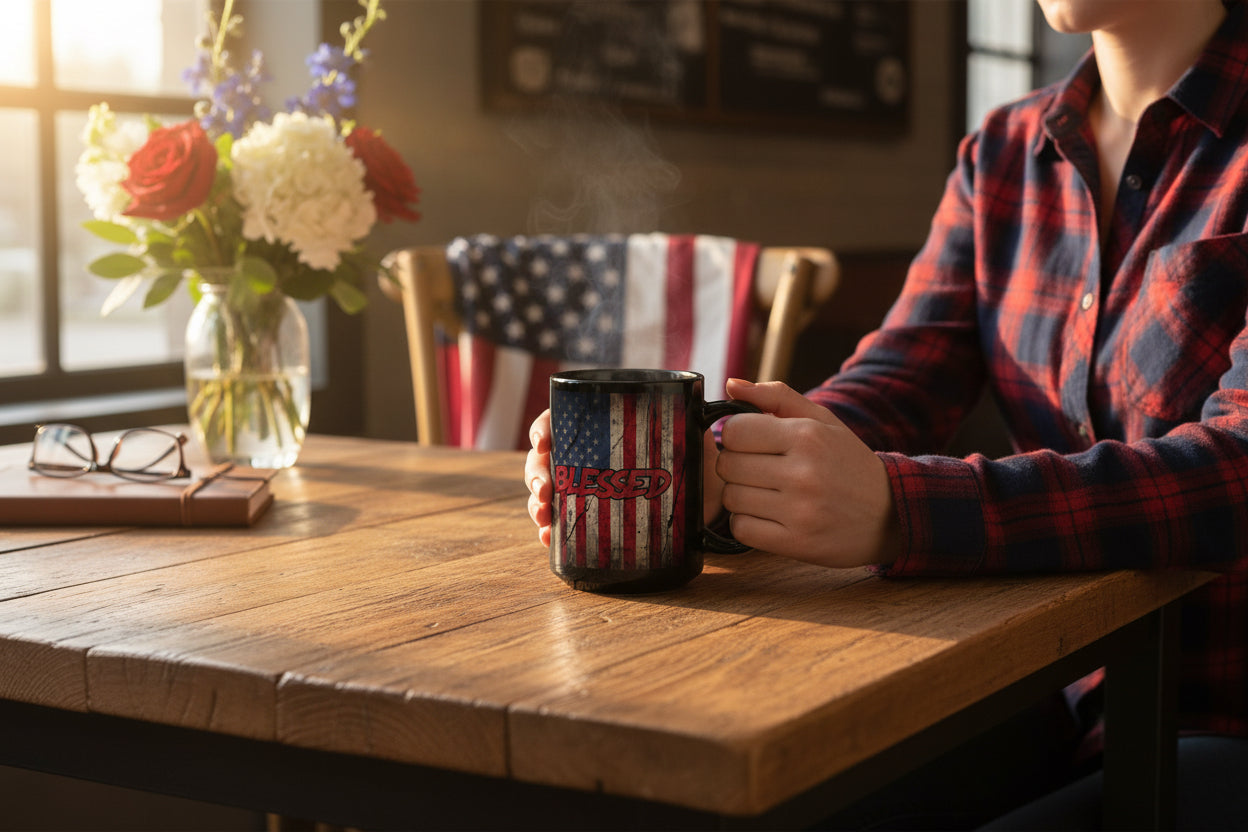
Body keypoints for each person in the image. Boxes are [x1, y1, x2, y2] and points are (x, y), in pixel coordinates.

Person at [525, 0, 1248, 827]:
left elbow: (1237, 471)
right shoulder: (1004, 152)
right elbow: (900, 377)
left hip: (1219, 717)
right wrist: (714, 462)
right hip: (1047, 681)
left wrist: (900, 511)